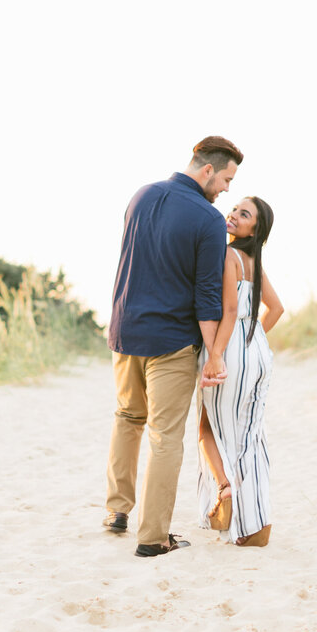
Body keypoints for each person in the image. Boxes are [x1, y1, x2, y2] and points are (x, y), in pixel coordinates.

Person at [103, 136, 244, 557]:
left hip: (125, 332)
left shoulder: (140, 196)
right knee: (165, 436)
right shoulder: (207, 219)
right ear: (207, 171)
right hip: (170, 342)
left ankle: (116, 512)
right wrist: (214, 353)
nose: (226, 189)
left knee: (128, 418)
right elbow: (207, 297)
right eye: (226, 179)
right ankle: (153, 537)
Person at [197, 196, 283, 546]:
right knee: (250, 435)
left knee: (207, 427)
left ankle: (223, 488)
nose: (233, 215)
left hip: (230, 346)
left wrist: (218, 354)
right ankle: (257, 522)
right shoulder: (254, 261)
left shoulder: (229, 255)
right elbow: (276, 309)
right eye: (235, 208)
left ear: (255, 229)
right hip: (257, 350)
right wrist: (254, 342)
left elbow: (229, 312)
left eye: (243, 214)